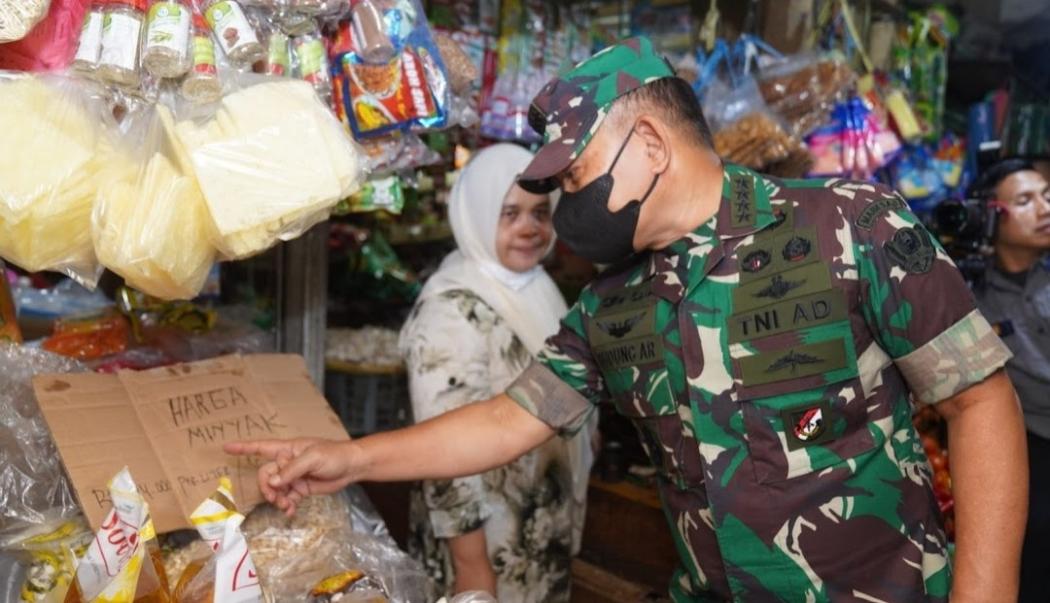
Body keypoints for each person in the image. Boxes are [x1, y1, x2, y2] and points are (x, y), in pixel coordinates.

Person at [228, 37, 1028, 602]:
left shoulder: (848, 224)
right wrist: (348, 458)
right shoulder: (612, 303)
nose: (566, 207)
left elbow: (980, 400)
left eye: (574, 175)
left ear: (647, 143)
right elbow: (510, 419)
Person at [397, 143, 593, 602]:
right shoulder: (451, 311)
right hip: (486, 550)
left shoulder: (535, 287)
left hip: (534, 538)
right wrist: (472, 569)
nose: (529, 229)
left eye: (540, 213)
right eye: (509, 214)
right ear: (478, 216)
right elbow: (444, 456)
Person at [968, 159, 1050, 603]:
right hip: (1031, 447)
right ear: (991, 215)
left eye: (1047, 195)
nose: (1044, 208)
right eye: (1025, 200)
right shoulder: (971, 295)